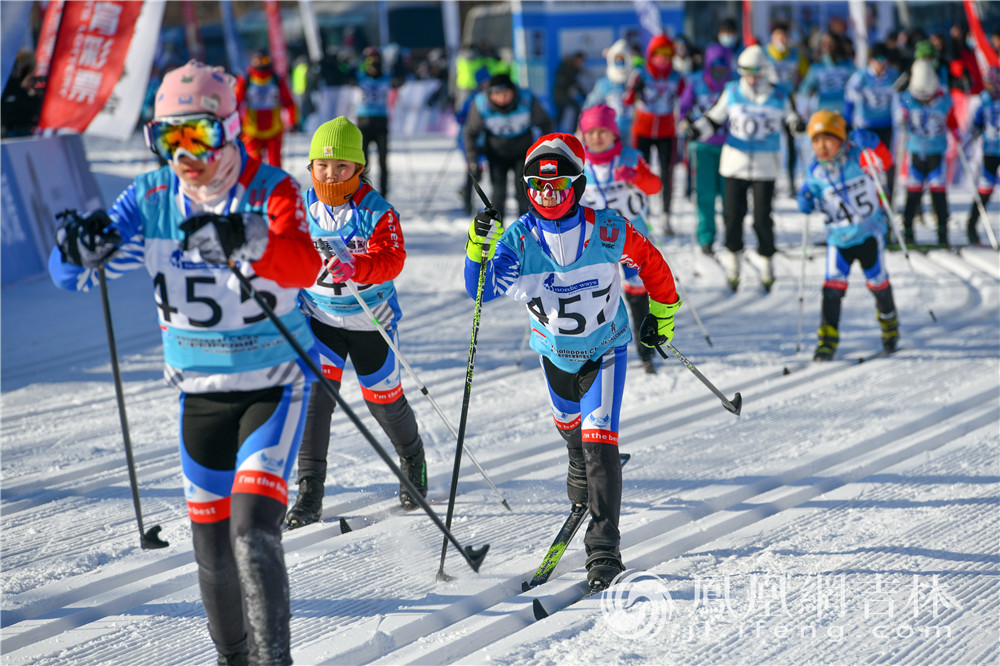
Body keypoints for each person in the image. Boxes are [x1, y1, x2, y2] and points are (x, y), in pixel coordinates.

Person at [48, 60, 321, 665]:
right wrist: (76, 249)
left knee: (251, 532)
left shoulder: (269, 186)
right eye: (168, 137)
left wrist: (249, 239)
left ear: (231, 127)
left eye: (199, 134)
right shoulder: (148, 199)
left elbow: (305, 266)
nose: (185, 152)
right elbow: (72, 275)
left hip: (273, 384)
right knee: (213, 553)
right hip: (199, 392)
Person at [463, 132, 681, 590]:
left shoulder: (607, 229)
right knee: (572, 433)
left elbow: (652, 263)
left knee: (599, 441)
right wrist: (475, 247)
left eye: (558, 187)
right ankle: (581, 464)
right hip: (554, 355)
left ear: (577, 186)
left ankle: (604, 551)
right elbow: (482, 291)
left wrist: (662, 313)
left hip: (607, 349)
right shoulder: (520, 239)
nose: (548, 196)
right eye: (538, 188)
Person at [285, 117, 428, 529]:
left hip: (370, 322)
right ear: (311, 167)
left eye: (342, 167)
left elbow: (394, 259)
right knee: (316, 401)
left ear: (359, 169)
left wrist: (359, 264)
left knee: (383, 401)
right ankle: (309, 490)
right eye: (323, 166)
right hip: (319, 318)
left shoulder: (377, 211)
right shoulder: (299, 207)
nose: (331, 175)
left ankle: (412, 457)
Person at [688, 45, 806, 291]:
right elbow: (714, 118)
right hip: (735, 164)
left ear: (765, 71)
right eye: (746, 72)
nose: (751, 78)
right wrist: (697, 130)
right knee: (733, 216)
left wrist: (796, 125)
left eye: (756, 72)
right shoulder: (732, 91)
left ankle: (766, 261)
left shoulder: (778, 94)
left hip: (765, 166)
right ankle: (734, 262)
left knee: (762, 218)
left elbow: (790, 116)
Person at [797, 110, 899, 361]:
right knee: (832, 288)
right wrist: (805, 200)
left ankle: (889, 323)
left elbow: (884, 162)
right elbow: (808, 192)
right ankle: (827, 340)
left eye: (827, 139)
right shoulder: (816, 171)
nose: (821, 147)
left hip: (868, 234)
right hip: (838, 239)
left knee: (877, 282)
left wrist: (874, 143)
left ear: (841, 139)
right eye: (816, 141)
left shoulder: (859, 158)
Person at [577, 104, 663, 374]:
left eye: (603, 131)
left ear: (614, 133)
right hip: (598, 244)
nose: (596, 137)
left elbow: (655, 186)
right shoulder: (579, 164)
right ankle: (598, 350)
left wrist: (635, 176)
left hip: (634, 239)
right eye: (591, 132)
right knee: (599, 297)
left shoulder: (630, 157)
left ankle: (645, 351)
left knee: (638, 294)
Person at [462, 73, 555, 221]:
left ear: (513, 91)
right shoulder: (481, 104)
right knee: (498, 195)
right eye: (496, 94)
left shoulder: (526, 99)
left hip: (523, 153)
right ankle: (499, 235)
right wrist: (473, 160)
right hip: (496, 153)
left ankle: (526, 233)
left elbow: (546, 123)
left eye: (506, 93)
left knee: (525, 194)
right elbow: (470, 132)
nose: (501, 98)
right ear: (489, 94)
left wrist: (545, 150)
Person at [623, 33, 687, 236]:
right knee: (642, 172)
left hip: (667, 130)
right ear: (651, 55)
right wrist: (635, 90)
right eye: (659, 55)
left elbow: (686, 100)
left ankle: (666, 216)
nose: (663, 59)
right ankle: (645, 214)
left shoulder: (676, 76)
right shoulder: (641, 73)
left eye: (667, 55)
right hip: (643, 128)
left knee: (667, 173)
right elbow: (627, 100)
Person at [898, 59, 960, 246]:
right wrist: (902, 116)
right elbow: (903, 103)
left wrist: (956, 133)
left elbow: (951, 120)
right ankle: (908, 230)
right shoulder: (909, 98)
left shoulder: (943, 100)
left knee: (939, 194)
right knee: (913, 193)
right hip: (916, 153)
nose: (924, 100)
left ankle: (943, 232)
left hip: (937, 154)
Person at [679, 44, 734, 255]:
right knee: (705, 195)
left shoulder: (732, 86)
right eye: (715, 65)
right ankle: (706, 237)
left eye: (723, 65)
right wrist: (685, 124)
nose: (719, 70)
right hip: (702, 148)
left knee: (729, 196)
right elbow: (683, 110)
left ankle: (731, 236)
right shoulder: (696, 82)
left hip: (730, 148)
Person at [845, 44, 901, 201]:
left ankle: (889, 198)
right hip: (867, 127)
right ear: (871, 60)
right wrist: (848, 122)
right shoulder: (861, 77)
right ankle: (867, 196)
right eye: (878, 60)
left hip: (886, 125)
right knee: (867, 163)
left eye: (885, 60)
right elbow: (849, 99)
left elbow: (905, 97)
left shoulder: (892, 76)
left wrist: (904, 110)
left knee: (888, 161)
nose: (882, 64)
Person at [766, 21, 810, 193]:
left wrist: (803, 91)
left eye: (784, 36)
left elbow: (807, 74)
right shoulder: (765, 53)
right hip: (770, 103)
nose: (782, 39)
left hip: (790, 102)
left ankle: (791, 181)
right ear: (772, 37)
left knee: (792, 143)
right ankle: (771, 180)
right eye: (778, 36)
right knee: (771, 143)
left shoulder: (795, 54)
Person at [235, 51, 299, 168]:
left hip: (274, 129)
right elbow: (235, 104)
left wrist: (293, 121)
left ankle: (276, 185)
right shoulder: (245, 80)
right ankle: (255, 185)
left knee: (275, 163)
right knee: (253, 164)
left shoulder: (277, 80)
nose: (261, 64)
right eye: (257, 61)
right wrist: (235, 124)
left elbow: (289, 102)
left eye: (264, 60)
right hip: (251, 130)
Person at [355, 46, 400, 196]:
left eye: (376, 62)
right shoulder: (360, 76)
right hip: (364, 123)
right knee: (363, 163)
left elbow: (399, 78)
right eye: (370, 62)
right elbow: (348, 72)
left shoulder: (386, 77)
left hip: (380, 122)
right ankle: (362, 193)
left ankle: (384, 194)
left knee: (383, 162)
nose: (373, 65)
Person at [965, 66, 1000, 246]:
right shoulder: (984, 100)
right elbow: (977, 123)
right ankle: (971, 227)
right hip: (991, 151)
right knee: (985, 189)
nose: (987, 85)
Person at [583, 39, 635, 144]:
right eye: (617, 59)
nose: (620, 63)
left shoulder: (636, 80)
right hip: (610, 133)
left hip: (633, 132)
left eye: (623, 59)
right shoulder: (605, 84)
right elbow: (590, 106)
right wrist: (583, 125)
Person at [798, 32, 856, 116]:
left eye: (831, 43)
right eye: (824, 43)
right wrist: (810, 91)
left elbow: (859, 84)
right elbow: (804, 89)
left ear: (837, 44)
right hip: (823, 113)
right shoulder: (816, 68)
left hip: (844, 114)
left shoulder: (848, 66)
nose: (827, 46)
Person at [553, 51, 587, 132]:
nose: (580, 63)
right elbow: (565, 82)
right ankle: (573, 130)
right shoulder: (567, 68)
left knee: (562, 114)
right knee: (573, 108)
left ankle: (572, 130)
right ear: (575, 60)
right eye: (579, 61)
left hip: (562, 96)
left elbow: (575, 84)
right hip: (560, 96)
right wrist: (570, 86)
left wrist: (584, 94)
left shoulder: (573, 69)